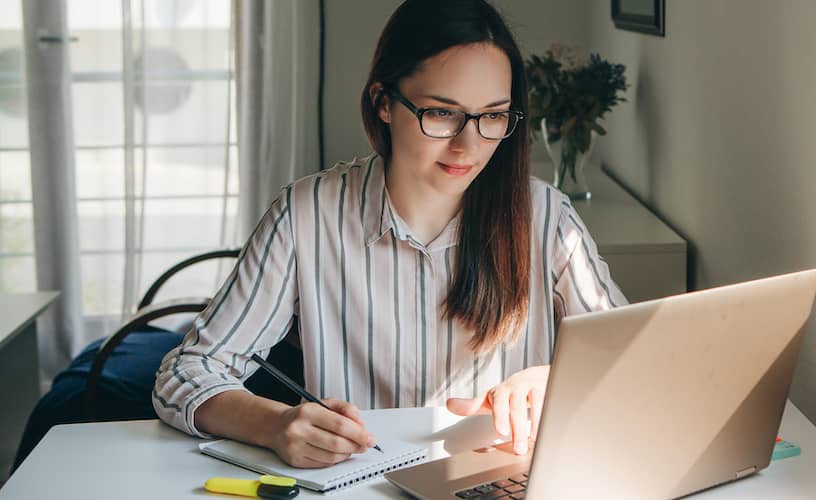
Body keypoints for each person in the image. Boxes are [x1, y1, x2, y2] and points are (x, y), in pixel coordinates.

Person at [153, 0, 626, 468]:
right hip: (359, 483)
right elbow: (184, 372)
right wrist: (274, 424)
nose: (470, 144)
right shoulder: (306, 216)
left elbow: (635, 357)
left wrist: (557, 379)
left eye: (493, 115)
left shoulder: (547, 218)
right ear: (384, 102)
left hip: (506, 478)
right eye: (442, 114)